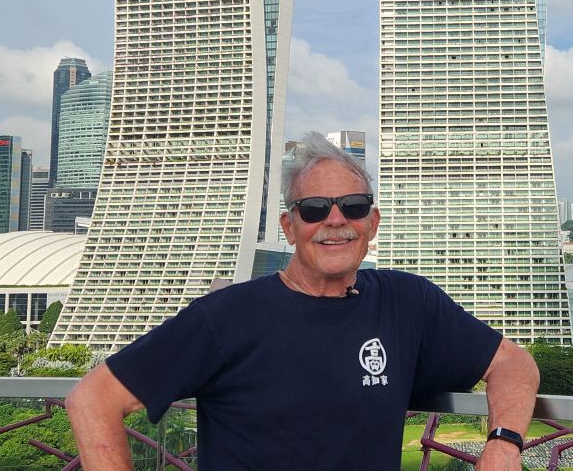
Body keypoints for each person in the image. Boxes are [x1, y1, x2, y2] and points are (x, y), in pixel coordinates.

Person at [66, 131, 539, 470]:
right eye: (314, 209)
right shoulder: (227, 316)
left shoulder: (407, 302)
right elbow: (92, 399)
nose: (335, 221)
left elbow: (512, 362)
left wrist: (503, 442)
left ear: (372, 223)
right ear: (289, 227)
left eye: (353, 206)